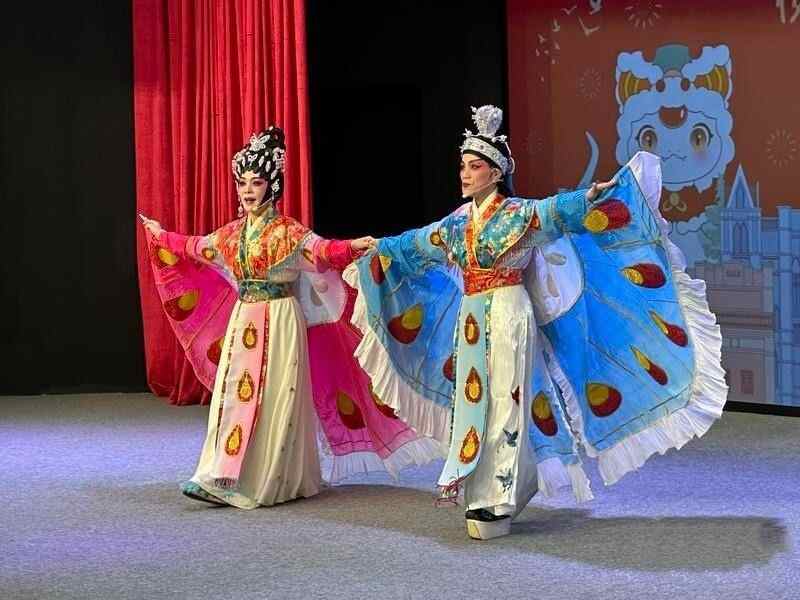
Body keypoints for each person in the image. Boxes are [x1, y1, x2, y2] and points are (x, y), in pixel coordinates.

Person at [344, 106, 727, 539]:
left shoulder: (519, 215)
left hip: (509, 312)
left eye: (474, 167)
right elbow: (415, 245)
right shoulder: (457, 224)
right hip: (471, 318)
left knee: (506, 400)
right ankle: (482, 489)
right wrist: (376, 248)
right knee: (474, 402)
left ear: (495, 173)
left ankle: (500, 495)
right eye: (462, 166)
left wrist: (589, 197)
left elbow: (558, 212)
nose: (465, 174)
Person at [140, 126, 440, 509]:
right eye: (242, 183)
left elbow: (323, 251)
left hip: (280, 319)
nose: (248, 191)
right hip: (244, 318)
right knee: (234, 394)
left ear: (272, 186)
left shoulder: (288, 232)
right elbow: (196, 247)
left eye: (256, 182)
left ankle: (274, 478)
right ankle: (219, 473)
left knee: (276, 398)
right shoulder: (232, 234)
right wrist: (161, 236)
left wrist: (352, 246)